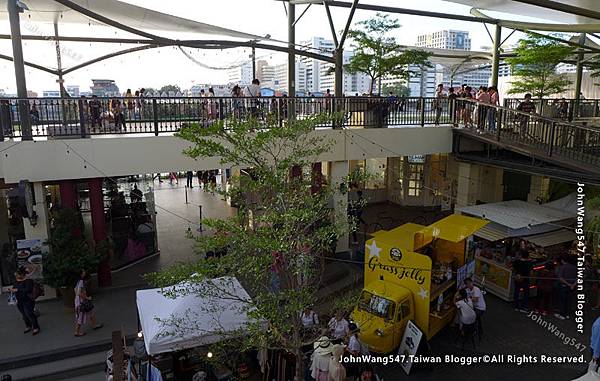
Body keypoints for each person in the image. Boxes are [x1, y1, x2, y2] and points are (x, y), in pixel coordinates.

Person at [10, 268, 40, 335]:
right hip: (19, 300)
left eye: (17, 275)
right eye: (16, 275)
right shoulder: (16, 281)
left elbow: (28, 289)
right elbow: (14, 287)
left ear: (22, 275)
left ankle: (36, 327)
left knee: (29, 313)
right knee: (23, 314)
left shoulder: (29, 281)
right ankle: (28, 326)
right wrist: (12, 290)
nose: (16, 276)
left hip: (28, 300)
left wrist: (17, 290)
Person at [74, 269, 102, 336]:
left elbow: (75, 290)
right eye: (83, 271)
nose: (85, 272)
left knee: (90, 311)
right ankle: (77, 332)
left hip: (80, 301)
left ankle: (94, 324)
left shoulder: (77, 282)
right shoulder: (80, 282)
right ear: (81, 274)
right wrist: (87, 297)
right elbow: (79, 293)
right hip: (81, 302)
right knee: (80, 317)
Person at [556, 255, 577, 320]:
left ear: (562, 260)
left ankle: (562, 314)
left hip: (564, 286)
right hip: (572, 287)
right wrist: (573, 285)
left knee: (562, 300)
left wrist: (568, 284)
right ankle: (567, 314)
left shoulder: (562, 267)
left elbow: (560, 277)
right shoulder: (574, 267)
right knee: (569, 300)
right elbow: (579, 277)